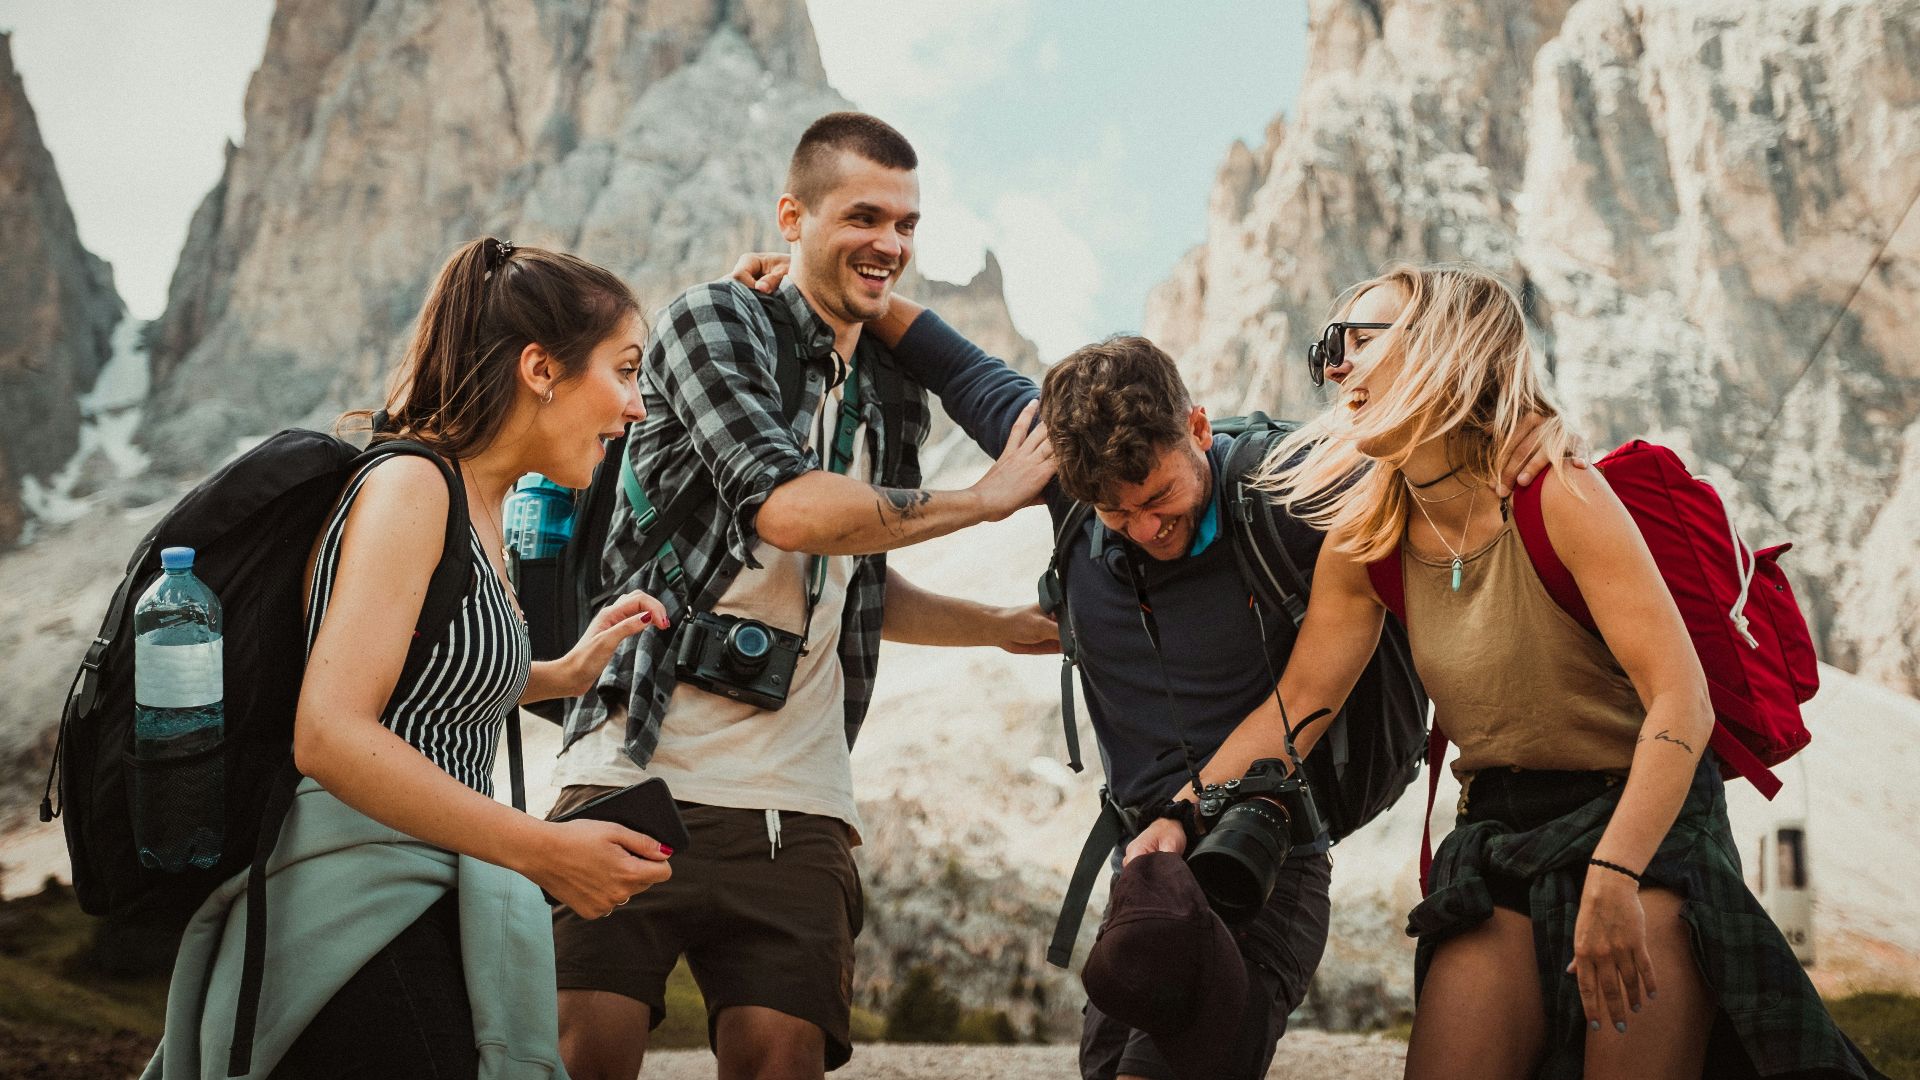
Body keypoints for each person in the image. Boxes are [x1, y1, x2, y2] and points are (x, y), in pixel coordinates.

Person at [728, 249, 1559, 1079]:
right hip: (1149, 874)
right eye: (1113, 514)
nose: (1145, 529)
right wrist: (828, 283)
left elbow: (1432, 454)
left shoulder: (1289, 489)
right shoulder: (1067, 478)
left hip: (1263, 864)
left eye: (1160, 498)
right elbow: (955, 362)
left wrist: (1528, 428)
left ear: (1197, 428)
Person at [1128, 263, 1885, 1079]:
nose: (1334, 367)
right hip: (1497, 832)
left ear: (1443, 345)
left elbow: (1681, 701)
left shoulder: (1557, 494)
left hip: (1643, 820)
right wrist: (1183, 811)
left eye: (1356, 341)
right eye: (1326, 350)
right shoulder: (1365, 537)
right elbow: (1298, 704)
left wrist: (1618, 869)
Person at [548, 112, 1058, 1080]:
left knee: (783, 1061)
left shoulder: (894, 389)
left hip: (799, 801)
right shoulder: (712, 320)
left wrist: (998, 628)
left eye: (908, 225)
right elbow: (787, 511)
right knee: (581, 1057)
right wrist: (980, 503)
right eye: (864, 216)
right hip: (635, 767)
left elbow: (854, 573)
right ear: (792, 214)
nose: (892, 244)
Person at [146, 237, 678, 1080]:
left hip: (420, 891)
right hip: (354, 911)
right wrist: (542, 851)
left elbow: (418, 678)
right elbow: (329, 734)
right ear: (541, 368)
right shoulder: (412, 486)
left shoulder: (478, 504)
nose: (637, 406)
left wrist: (563, 671)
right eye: (623, 370)